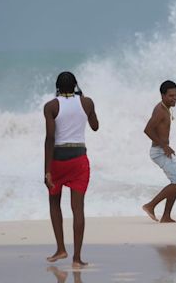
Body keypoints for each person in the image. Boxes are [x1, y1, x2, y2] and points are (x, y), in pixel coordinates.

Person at [44, 71, 99, 267]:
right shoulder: (87, 102)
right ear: (75, 85)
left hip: (58, 161)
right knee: (78, 209)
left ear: (57, 87)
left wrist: (47, 170)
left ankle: (61, 249)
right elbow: (95, 126)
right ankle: (77, 258)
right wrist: (83, 98)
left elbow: (50, 138)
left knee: (54, 203)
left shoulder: (51, 106)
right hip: (79, 161)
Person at [142, 80, 176, 223]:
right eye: (171, 96)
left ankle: (166, 216)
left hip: (162, 149)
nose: (174, 98)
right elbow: (147, 130)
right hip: (159, 151)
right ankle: (150, 205)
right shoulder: (160, 111)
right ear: (162, 95)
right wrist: (164, 146)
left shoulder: (165, 108)